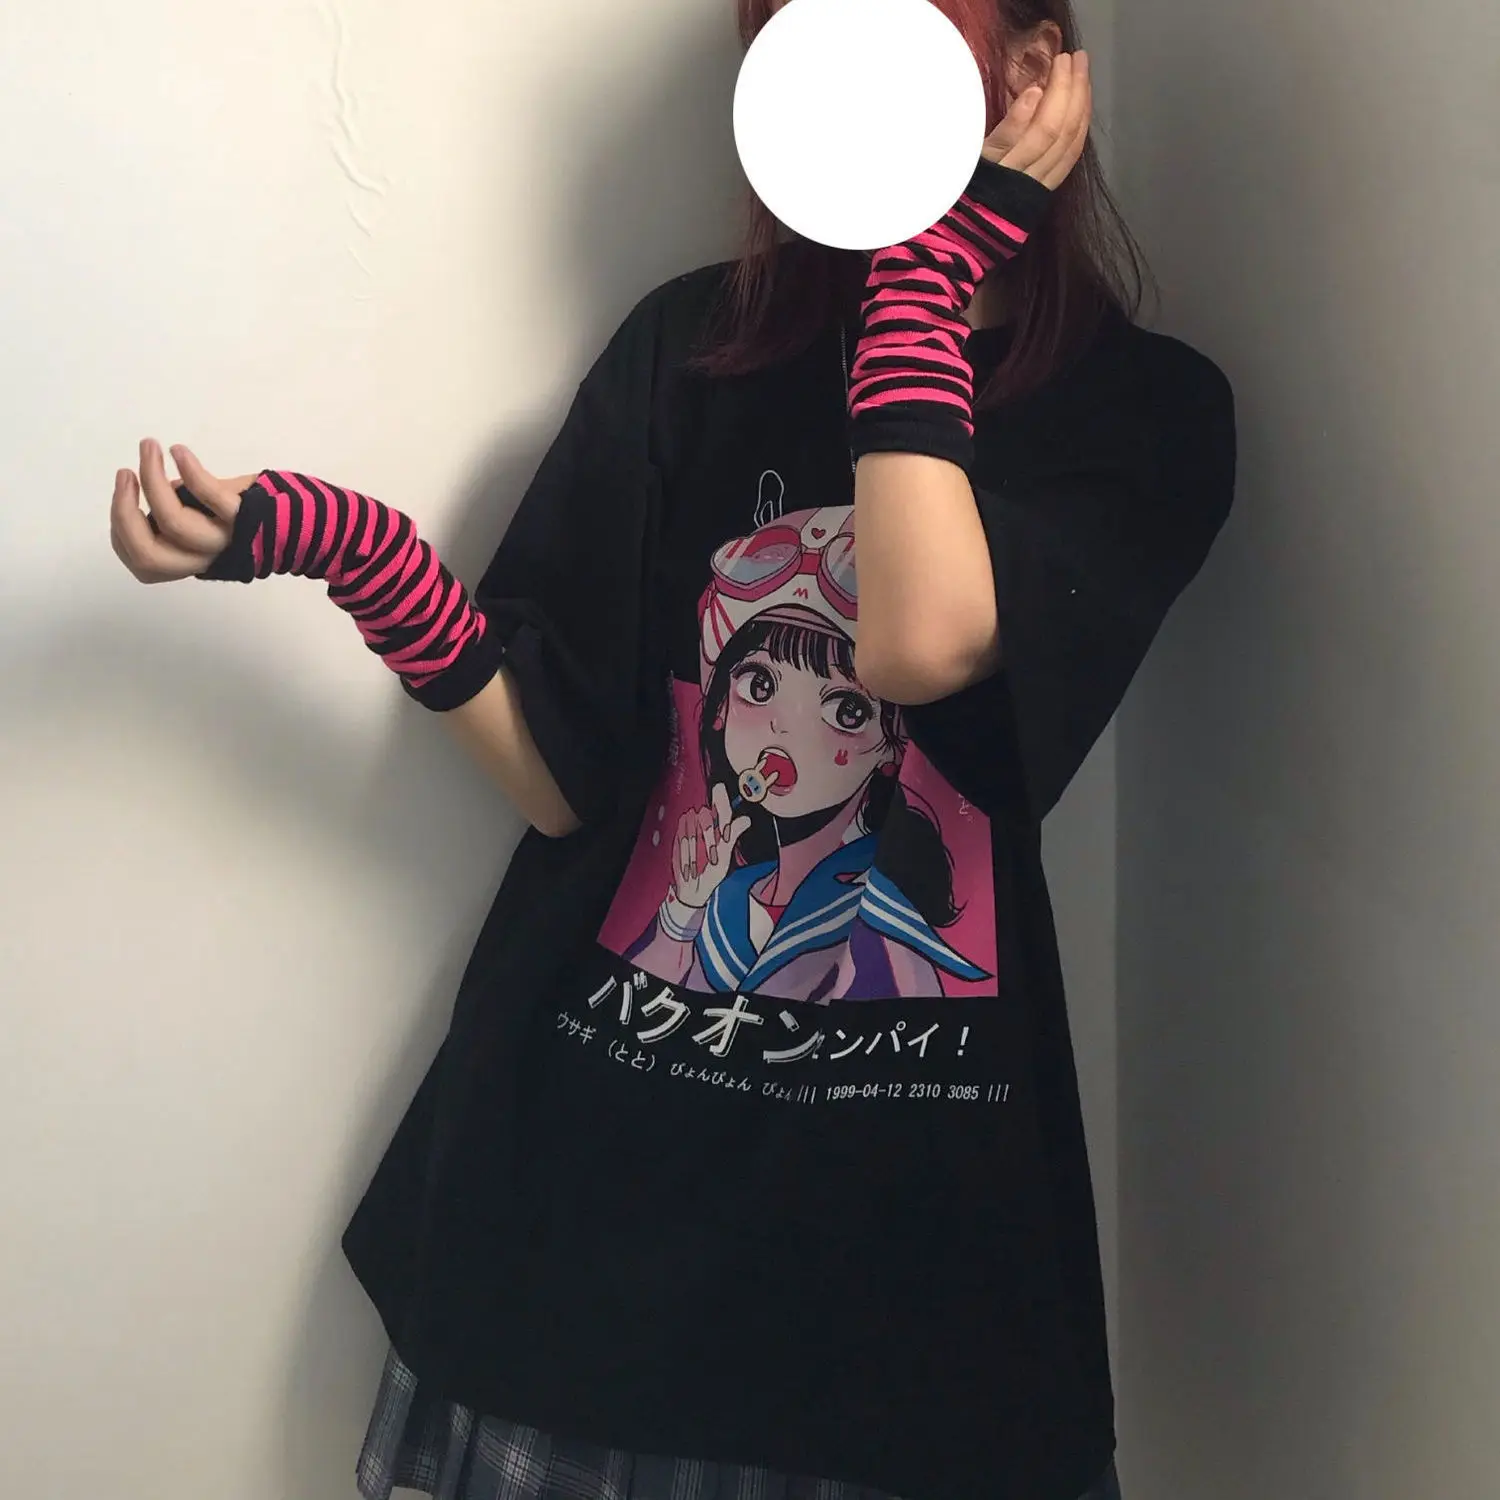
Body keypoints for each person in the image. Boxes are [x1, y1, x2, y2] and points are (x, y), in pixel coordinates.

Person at [109, 1, 1235, 1496]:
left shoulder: (1144, 411)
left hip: (905, 1280)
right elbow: (560, 782)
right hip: (585, 1216)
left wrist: (929, 276)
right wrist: (363, 557)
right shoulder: (690, 351)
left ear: (1033, 70)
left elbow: (915, 643)